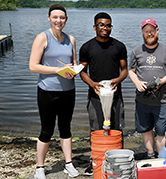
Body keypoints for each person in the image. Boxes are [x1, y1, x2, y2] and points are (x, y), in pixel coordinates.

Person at [29, 4, 79, 179]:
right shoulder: (42, 37)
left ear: (66, 19)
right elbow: (33, 66)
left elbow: (73, 62)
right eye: (55, 17)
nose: (59, 20)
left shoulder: (70, 39)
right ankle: (40, 167)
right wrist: (57, 70)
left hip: (68, 90)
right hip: (47, 91)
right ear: (49, 18)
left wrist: (74, 69)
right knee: (47, 130)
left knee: (66, 129)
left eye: (62, 17)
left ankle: (68, 163)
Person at [79, 12, 128, 175]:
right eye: (101, 25)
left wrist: (117, 80)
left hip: (115, 95)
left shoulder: (119, 46)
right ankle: (95, 162)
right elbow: (82, 71)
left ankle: (118, 162)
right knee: (96, 129)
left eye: (108, 25)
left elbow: (124, 70)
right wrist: (92, 84)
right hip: (95, 95)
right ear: (95, 27)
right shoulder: (87, 47)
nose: (105, 28)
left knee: (116, 128)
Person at [129, 18, 166, 159]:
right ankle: (150, 155)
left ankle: (162, 159)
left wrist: (162, 81)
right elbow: (131, 71)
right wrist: (137, 83)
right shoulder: (136, 51)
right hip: (142, 100)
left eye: (152, 30)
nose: (149, 33)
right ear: (142, 33)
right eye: (146, 31)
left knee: (162, 132)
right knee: (146, 130)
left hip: (162, 100)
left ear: (157, 31)